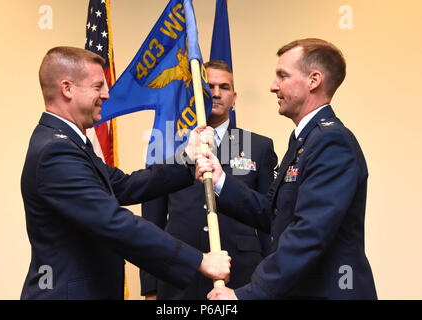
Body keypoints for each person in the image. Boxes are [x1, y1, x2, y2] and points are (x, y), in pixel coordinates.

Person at [20, 46, 231, 300]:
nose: (107, 94)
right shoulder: (55, 152)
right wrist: (199, 260)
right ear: (67, 89)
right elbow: (113, 222)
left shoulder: (69, 144)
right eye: (98, 86)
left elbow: (126, 185)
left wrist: (187, 160)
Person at [196, 38, 377, 299]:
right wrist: (221, 180)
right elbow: (275, 215)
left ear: (313, 80)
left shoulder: (331, 141)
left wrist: (246, 294)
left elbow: (308, 234)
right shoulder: (304, 140)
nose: (273, 86)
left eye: (282, 75)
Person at [140, 60, 278, 299]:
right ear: (196, 93)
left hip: (242, 273)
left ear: (234, 97)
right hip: (179, 271)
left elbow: (269, 220)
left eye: (224, 87)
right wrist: (150, 286)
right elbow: (152, 222)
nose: (215, 93)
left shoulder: (259, 147)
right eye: (209, 87)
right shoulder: (167, 144)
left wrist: (271, 282)